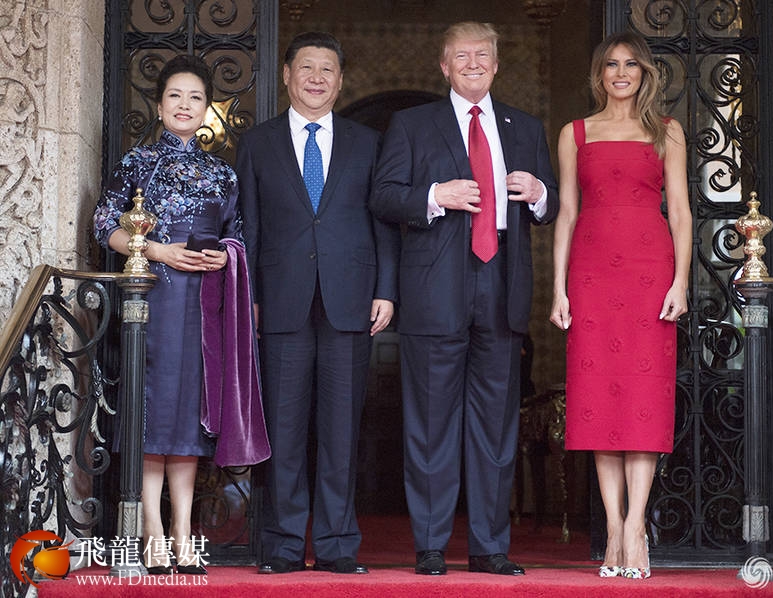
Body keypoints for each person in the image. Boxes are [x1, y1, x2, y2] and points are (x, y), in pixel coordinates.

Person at [371, 21, 559, 577]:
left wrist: (539, 192)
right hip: (435, 285)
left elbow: (550, 206)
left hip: (501, 281)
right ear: (444, 66)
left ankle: (489, 547)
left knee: (495, 426)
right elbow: (383, 196)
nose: (473, 63)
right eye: (461, 56)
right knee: (430, 422)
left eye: (483, 55)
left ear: (496, 65)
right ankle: (430, 545)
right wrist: (436, 194)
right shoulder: (412, 124)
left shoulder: (525, 127)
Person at [236, 32, 399, 575]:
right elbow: (249, 227)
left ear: (341, 81)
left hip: (350, 300)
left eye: (328, 69)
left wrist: (386, 288)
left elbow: (383, 222)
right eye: (306, 67)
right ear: (286, 75)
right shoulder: (257, 143)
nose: (317, 78)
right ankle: (283, 546)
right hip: (280, 303)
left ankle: (337, 544)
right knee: (283, 431)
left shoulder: (367, 142)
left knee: (340, 431)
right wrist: (250, 296)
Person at [550, 30, 692, 580]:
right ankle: (613, 526)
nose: (621, 73)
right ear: (599, 74)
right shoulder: (575, 133)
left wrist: (680, 282)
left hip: (649, 275)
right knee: (600, 400)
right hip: (591, 275)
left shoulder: (667, 131)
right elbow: (566, 211)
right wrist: (559, 286)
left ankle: (636, 528)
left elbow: (680, 210)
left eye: (631, 64)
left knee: (642, 400)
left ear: (645, 72)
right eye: (611, 64)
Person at [94, 54, 241, 576]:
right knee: (151, 410)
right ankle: (151, 531)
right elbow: (104, 223)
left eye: (195, 97)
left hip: (203, 305)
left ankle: (182, 530)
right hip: (151, 301)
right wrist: (156, 251)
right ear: (159, 106)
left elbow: (237, 235)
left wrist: (224, 256)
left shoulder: (223, 173)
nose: (184, 105)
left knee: (188, 417)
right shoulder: (137, 162)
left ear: (207, 109)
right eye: (175, 96)